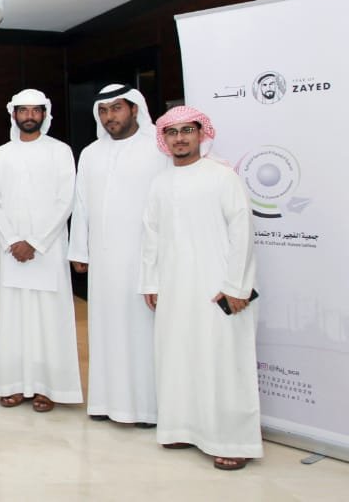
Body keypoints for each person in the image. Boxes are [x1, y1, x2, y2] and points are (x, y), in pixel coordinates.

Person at [141, 106, 261, 471]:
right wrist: (151, 281)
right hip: (174, 287)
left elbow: (243, 232)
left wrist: (236, 286)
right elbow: (151, 236)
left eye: (187, 131)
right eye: (172, 132)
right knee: (178, 357)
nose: (180, 138)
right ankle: (183, 428)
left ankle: (233, 440)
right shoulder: (160, 183)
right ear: (164, 139)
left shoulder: (222, 177)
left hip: (218, 288)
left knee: (223, 362)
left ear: (201, 134)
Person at [68, 84, 169, 427]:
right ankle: (106, 402)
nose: (109, 116)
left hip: (144, 257)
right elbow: (81, 204)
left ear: (134, 109)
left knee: (142, 330)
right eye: (103, 110)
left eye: (116, 108)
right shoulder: (91, 153)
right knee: (104, 327)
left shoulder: (158, 149)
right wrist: (79, 249)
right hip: (103, 258)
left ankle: (146, 408)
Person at [0, 89, 82, 413]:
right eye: (23, 110)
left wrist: (36, 243)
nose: (29, 116)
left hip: (47, 252)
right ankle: (13, 385)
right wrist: (13, 240)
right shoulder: (2, 154)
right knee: (14, 319)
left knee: (49, 321)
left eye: (35, 110)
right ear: (13, 115)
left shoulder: (60, 151)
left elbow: (65, 201)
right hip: (11, 251)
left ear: (44, 114)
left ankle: (48, 387)